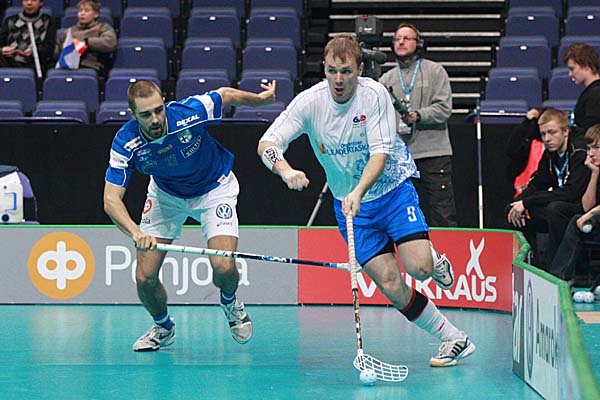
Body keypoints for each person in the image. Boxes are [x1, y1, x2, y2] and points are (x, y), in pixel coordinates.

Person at [257, 34, 475, 367]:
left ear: (359, 69)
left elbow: (380, 154)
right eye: (332, 71)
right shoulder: (309, 102)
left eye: (346, 71)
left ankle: (432, 257)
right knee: (390, 284)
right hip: (352, 208)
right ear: (324, 69)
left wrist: (358, 191)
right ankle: (453, 337)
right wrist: (284, 169)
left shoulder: (374, 96)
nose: (338, 79)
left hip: (391, 191)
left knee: (420, 268)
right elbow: (267, 142)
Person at [103, 79, 276, 351]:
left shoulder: (189, 112)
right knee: (145, 277)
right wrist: (136, 233)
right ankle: (163, 327)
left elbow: (225, 94)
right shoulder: (126, 142)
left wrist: (260, 100)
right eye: (146, 114)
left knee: (224, 266)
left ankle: (230, 302)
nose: (155, 119)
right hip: (166, 195)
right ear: (132, 114)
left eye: (158, 110)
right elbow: (111, 199)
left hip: (214, 188)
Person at [379, 22, 457, 227]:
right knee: (403, 214)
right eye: (397, 39)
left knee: (442, 213)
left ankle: (447, 247)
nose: (401, 42)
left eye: (406, 38)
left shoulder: (435, 71)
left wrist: (419, 115)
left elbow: (444, 108)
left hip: (433, 154)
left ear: (419, 43)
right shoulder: (386, 79)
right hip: (400, 157)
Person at [506, 108, 590, 269]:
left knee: (556, 209)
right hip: (562, 203)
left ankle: (555, 269)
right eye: (543, 134)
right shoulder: (550, 154)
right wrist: (520, 203)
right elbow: (538, 183)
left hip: (582, 206)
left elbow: (571, 193)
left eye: (552, 132)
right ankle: (530, 266)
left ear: (565, 131)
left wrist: (527, 202)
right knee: (512, 211)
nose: (547, 139)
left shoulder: (579, 151)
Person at [549, 124, 600, 283]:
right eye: (589, 148)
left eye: (596, 148)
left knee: (580, 219)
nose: (590, 153)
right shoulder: (595, 168)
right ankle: (559, 279)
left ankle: (558, 278)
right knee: (574, 218)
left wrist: (590, 214)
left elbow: (590, 211)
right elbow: (587, 206)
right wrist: (594, 174)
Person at [54, 0, 117, 77]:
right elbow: (56, 53)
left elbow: (110, 43)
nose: (82, 13)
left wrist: (87, 42)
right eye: (80, 11)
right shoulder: (69, 31)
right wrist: (64, 47)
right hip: (68, 66)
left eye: (86, 11)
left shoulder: (103, 28)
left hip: (92, 66)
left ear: (96, 14)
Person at [0, 0, 56, 73]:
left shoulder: (48, 21)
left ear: (40, 3)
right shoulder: (10, 20)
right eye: (26, 0)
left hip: (37, 65)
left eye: (33, 0)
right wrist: (2, 50)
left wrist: (34, 52)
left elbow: (49, 49)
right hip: (9, 63)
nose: (29, 3)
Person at [562, 43, 600, 138]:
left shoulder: (595, 94)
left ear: (586, 66)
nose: (570, 74)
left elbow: (591, 131)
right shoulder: (591, 92)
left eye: (572, 69)